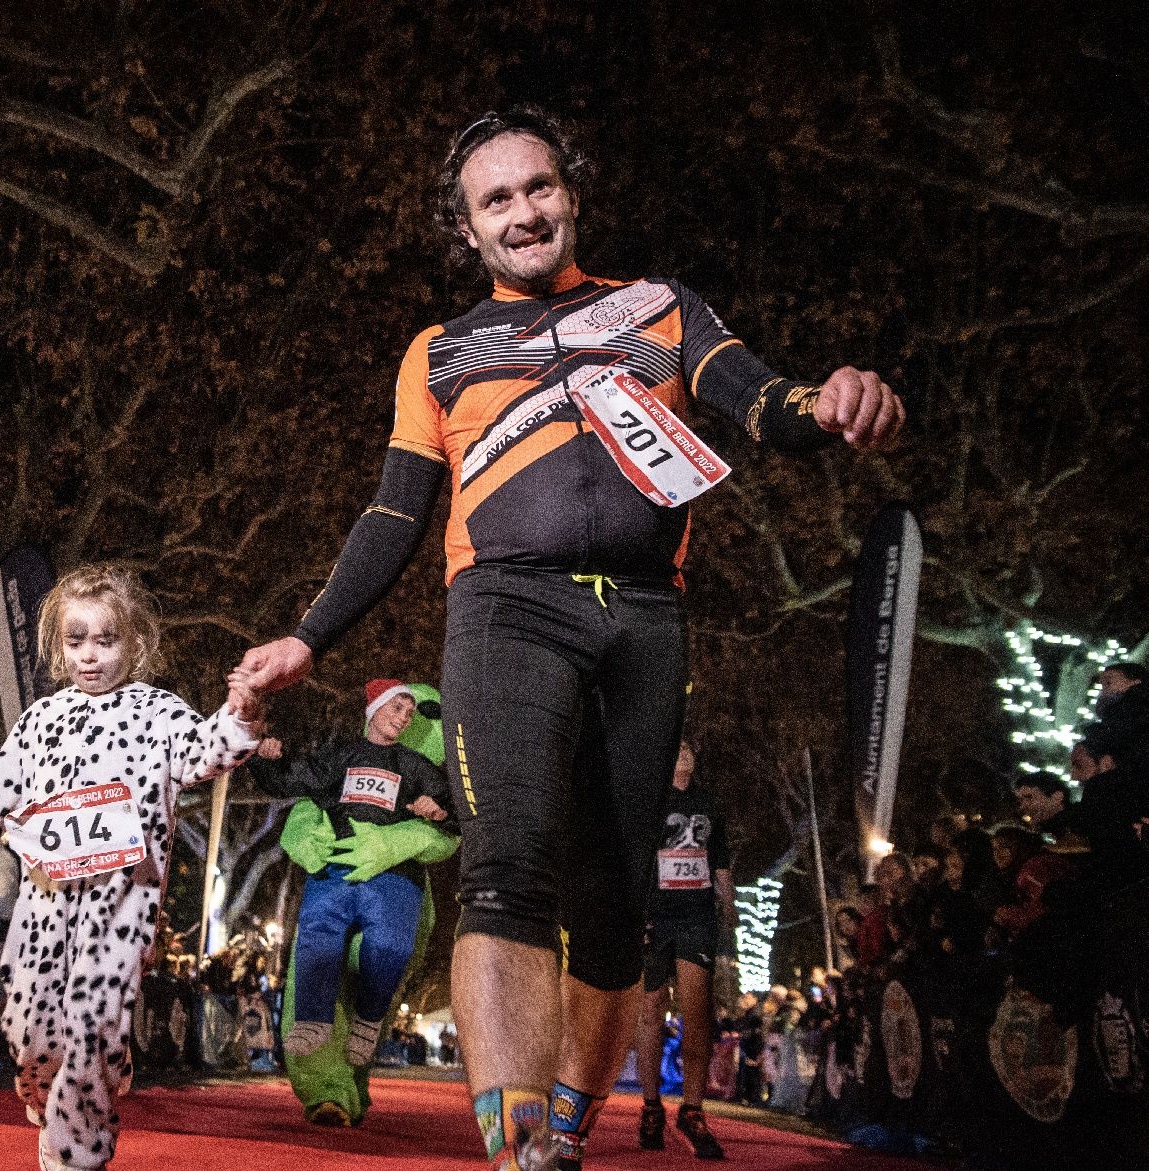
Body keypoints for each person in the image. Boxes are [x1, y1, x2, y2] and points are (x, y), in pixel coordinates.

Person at [231, 106, 904, 1170]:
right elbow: (395, 511)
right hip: (505, 607)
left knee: (613, 898)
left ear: (571, 195)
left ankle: (569, 1128)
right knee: (504, 868)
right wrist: (308, 638)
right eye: (494, 199)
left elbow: (764, 399)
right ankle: (514, 1143)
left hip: (643, 615)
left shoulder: (660, 308)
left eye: (536, 187)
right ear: (466, 229)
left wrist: (832, 399)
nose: (521, 211)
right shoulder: (440, 351)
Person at [0, 565, 263, 1171]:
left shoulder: (157, 712)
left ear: (134, 643)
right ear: (58, 647)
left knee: (88, 1026)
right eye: (76, 640)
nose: (90, 656)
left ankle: (75, 1152)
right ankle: (60, 1082)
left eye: (105, 640)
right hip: (42, 906)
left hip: (122, 906)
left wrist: (241, 712)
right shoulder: (39, 721)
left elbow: (208, 751)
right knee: (29, 1033)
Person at [245, 678, 457, 1126]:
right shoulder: (344, 758)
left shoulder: (424, 772)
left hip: (399, 889)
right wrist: (306, 833)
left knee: (380, 966)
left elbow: (450, 829)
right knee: (317, 964)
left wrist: (406, 835)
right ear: (375, 709)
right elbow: (306, 801)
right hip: (335, 877)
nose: (408, 717)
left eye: (416, 712)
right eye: (398, 707)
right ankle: (327, 1089)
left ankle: (354, 1072)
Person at [634, 744, 730, 1160]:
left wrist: (728, 913)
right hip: (656, 916)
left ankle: (692, 1110)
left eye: (691, 750)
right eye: (677, 750)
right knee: (651, 1009)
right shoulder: (650, 800)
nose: (685, 755)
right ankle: (651, 1105)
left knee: (697, 1010)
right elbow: (635, 859)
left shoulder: (708, 803)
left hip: (697, 916)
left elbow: (721, 862)